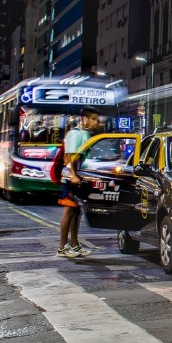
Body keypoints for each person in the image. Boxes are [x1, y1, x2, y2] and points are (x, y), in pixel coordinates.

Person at [58, 107, 103, 258]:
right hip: (71, 179)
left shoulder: (86, 134)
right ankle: (62, 247)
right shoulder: (75, 134)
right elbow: (68, 158)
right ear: (84, 119)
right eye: (94, 119)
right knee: (69, 211)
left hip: (79, 178)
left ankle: (74, 245)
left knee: (77, 212)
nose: (96, 122)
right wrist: (73, 176)